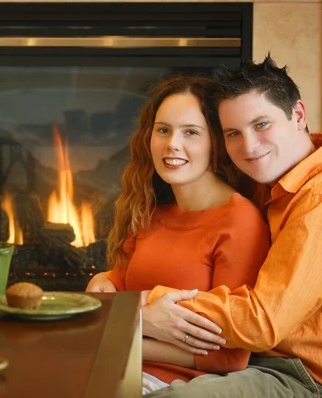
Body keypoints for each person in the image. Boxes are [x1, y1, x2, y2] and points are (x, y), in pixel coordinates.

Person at [141, 56, 322, 398]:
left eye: (261, 124)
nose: (248, 146)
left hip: (314, 379)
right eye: (233, 133)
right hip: (259, 362)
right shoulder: (265, 179)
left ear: (298, 115)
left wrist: (150, 304)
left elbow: (264, 322)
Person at [85, 75, 270, 394]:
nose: (172, 144)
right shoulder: (152, 211)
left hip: (166, 384)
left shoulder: (240, 223)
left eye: (191, 133)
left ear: (215, 141)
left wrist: (126, 332)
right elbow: (124, 282)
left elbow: (230, 357)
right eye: (163, 130)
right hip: (111, 362)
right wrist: (104, 281)